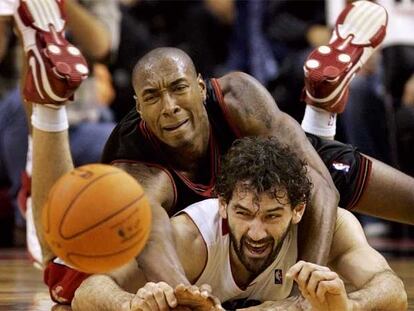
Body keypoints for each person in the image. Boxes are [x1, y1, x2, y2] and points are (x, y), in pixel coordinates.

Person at [20, 0, 413, 305]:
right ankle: (51, 106)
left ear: (202, 86)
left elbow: (319, 186)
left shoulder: (239, 97)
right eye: (153, 97)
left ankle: (319, 108)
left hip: (269, 177)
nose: (170, 106)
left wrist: (301, 295)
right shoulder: (138, 164)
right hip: (207, 218)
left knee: (316, 167)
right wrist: (182, 297)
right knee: (62, 276)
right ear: (138, 108)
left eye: (177, 88)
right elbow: (152, 236)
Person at [70, 137, 407, 310]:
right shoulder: (190, 238)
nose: (256, 233)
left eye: (272, 216)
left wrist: (348, 306)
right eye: (244, 213)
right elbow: (87, 291)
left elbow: (393, 291)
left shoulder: (333, 226)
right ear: (223, 205)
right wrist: (131, 305)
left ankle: (319, 118)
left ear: (299, 210)